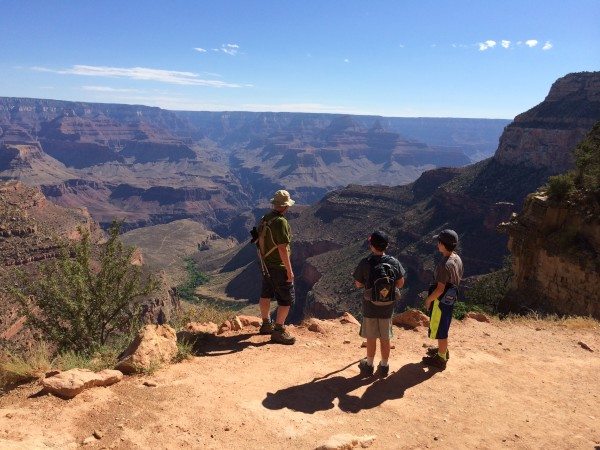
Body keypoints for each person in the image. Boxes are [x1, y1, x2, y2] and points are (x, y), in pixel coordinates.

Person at [353, 231, 406, 377]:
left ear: (371, 246)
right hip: (387, 307)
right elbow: (401, 284)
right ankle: (384, 366)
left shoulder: (366, 262)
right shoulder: (394, 262)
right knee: (385, 337)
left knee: (371, 337)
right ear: (386, 246)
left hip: (370, 306)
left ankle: (369, 366)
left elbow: (357, 284)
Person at [255, 189, 296, 345]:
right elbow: (282, 248)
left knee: (266, 293)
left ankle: (266, 324)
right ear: (285, 206)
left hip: (265, 264)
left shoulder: (266, 217)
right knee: (286, 300)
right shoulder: (281, 222)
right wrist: (289, 270)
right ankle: (278, 331)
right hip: (278, 266)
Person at [422, 229, 464, 370]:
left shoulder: (444, 265)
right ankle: (442, 350)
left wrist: (428, 300)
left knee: (440, 328)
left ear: (443, 244)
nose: (437, 244)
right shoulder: (456, 258)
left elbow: (440, 289)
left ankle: (441, 358)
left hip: (441, 300)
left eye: (439, 242)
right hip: (451, 297)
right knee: (444, 324)